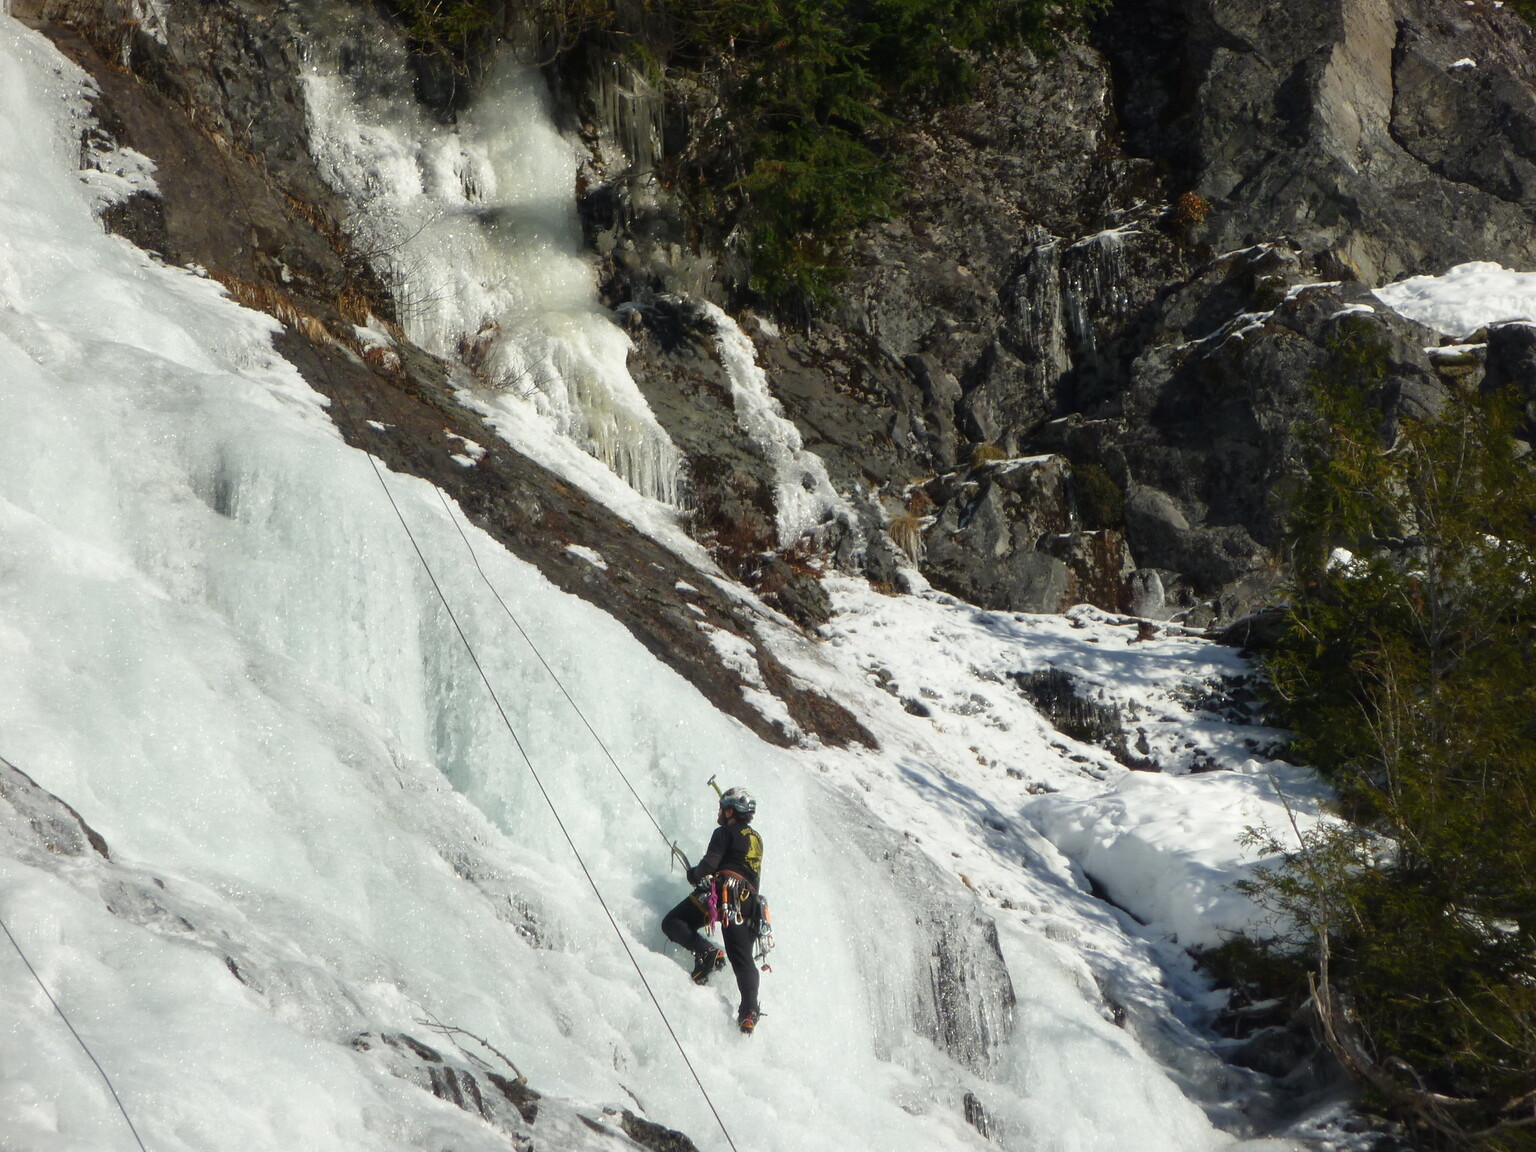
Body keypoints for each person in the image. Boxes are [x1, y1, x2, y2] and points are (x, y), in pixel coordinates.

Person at [662, 787, 764, 1034]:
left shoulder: (724, 832)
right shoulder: (757, 839)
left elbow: (710, 864)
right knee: (742, 959)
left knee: (673, 922)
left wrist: (693, 875)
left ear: (731, 811)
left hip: (725, 893)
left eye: (722, 808)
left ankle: (707, 952)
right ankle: (749, 1011)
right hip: (750, 903)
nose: (719, 813)